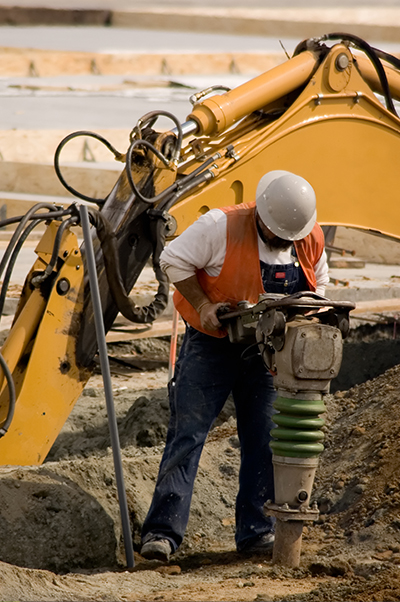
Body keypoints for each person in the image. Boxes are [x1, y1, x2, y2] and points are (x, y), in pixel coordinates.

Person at [140, 170, 329, 561]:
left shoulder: (307, 236)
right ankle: (162, 533)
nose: (284, 242)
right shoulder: (219, 226)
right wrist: (205, 305)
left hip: (266, 353)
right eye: (277, 235)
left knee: (262, 440)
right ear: (260, 216)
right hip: (211, 348)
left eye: (289, 238)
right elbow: (172, 259)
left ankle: (255, 533)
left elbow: (318, 285)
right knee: (188, 435)